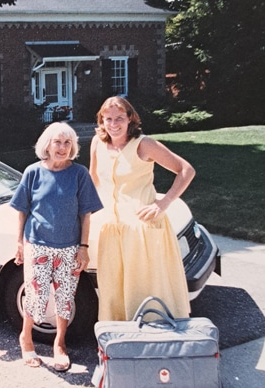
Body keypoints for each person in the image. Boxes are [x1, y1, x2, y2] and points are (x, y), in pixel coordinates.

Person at [89, 96, 195, 322]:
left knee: (145, 288)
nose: (113, 124)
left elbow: (186, 170)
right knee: (114, 288)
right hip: (110, 228)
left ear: (130, 119)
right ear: (101, 120)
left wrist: (162, 203)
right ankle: (121, 342)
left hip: (142, 230)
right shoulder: (97, 143)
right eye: (108, 119)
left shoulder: (144, 144)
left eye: (119, 118)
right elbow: (93, 180)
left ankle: (154, 338)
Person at [10, 122, 103, 371]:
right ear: (47, 145)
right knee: (35, 295)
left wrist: (83, 247)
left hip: (69, 247)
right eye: (57, 142)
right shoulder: (32, 172)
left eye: (67, 143)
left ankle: (59, 344)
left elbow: (86, 214)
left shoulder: (79, 174)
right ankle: (26, 338)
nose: (62, 148)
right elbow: (22, 211)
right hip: (37, 244)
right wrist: (19, 242)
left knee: (65, 298)